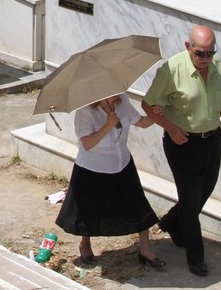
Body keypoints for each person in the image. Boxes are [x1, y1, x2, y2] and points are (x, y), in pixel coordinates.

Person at [142, 25, 221, 277]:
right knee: (190, 201)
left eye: (210, 53)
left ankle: (170, 223)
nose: (206, 59)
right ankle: (195, 257)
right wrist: (170, 127)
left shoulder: (217, 66)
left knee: (204, 192)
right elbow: (148, 103)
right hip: (183, 142)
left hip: (212, 139)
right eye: (200, 53)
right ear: (188, 47)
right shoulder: (171, 69)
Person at [55, 93, 165, 268]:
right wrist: (107, 125)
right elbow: (88, 143)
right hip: (93, 167)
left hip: (122, 163)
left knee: (138, 205)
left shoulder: (123, 102)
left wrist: (156, 114)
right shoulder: (85, 111)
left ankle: (145, 249)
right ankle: (85, 244)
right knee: (89, 210)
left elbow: (142, 122)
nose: (117, 92)